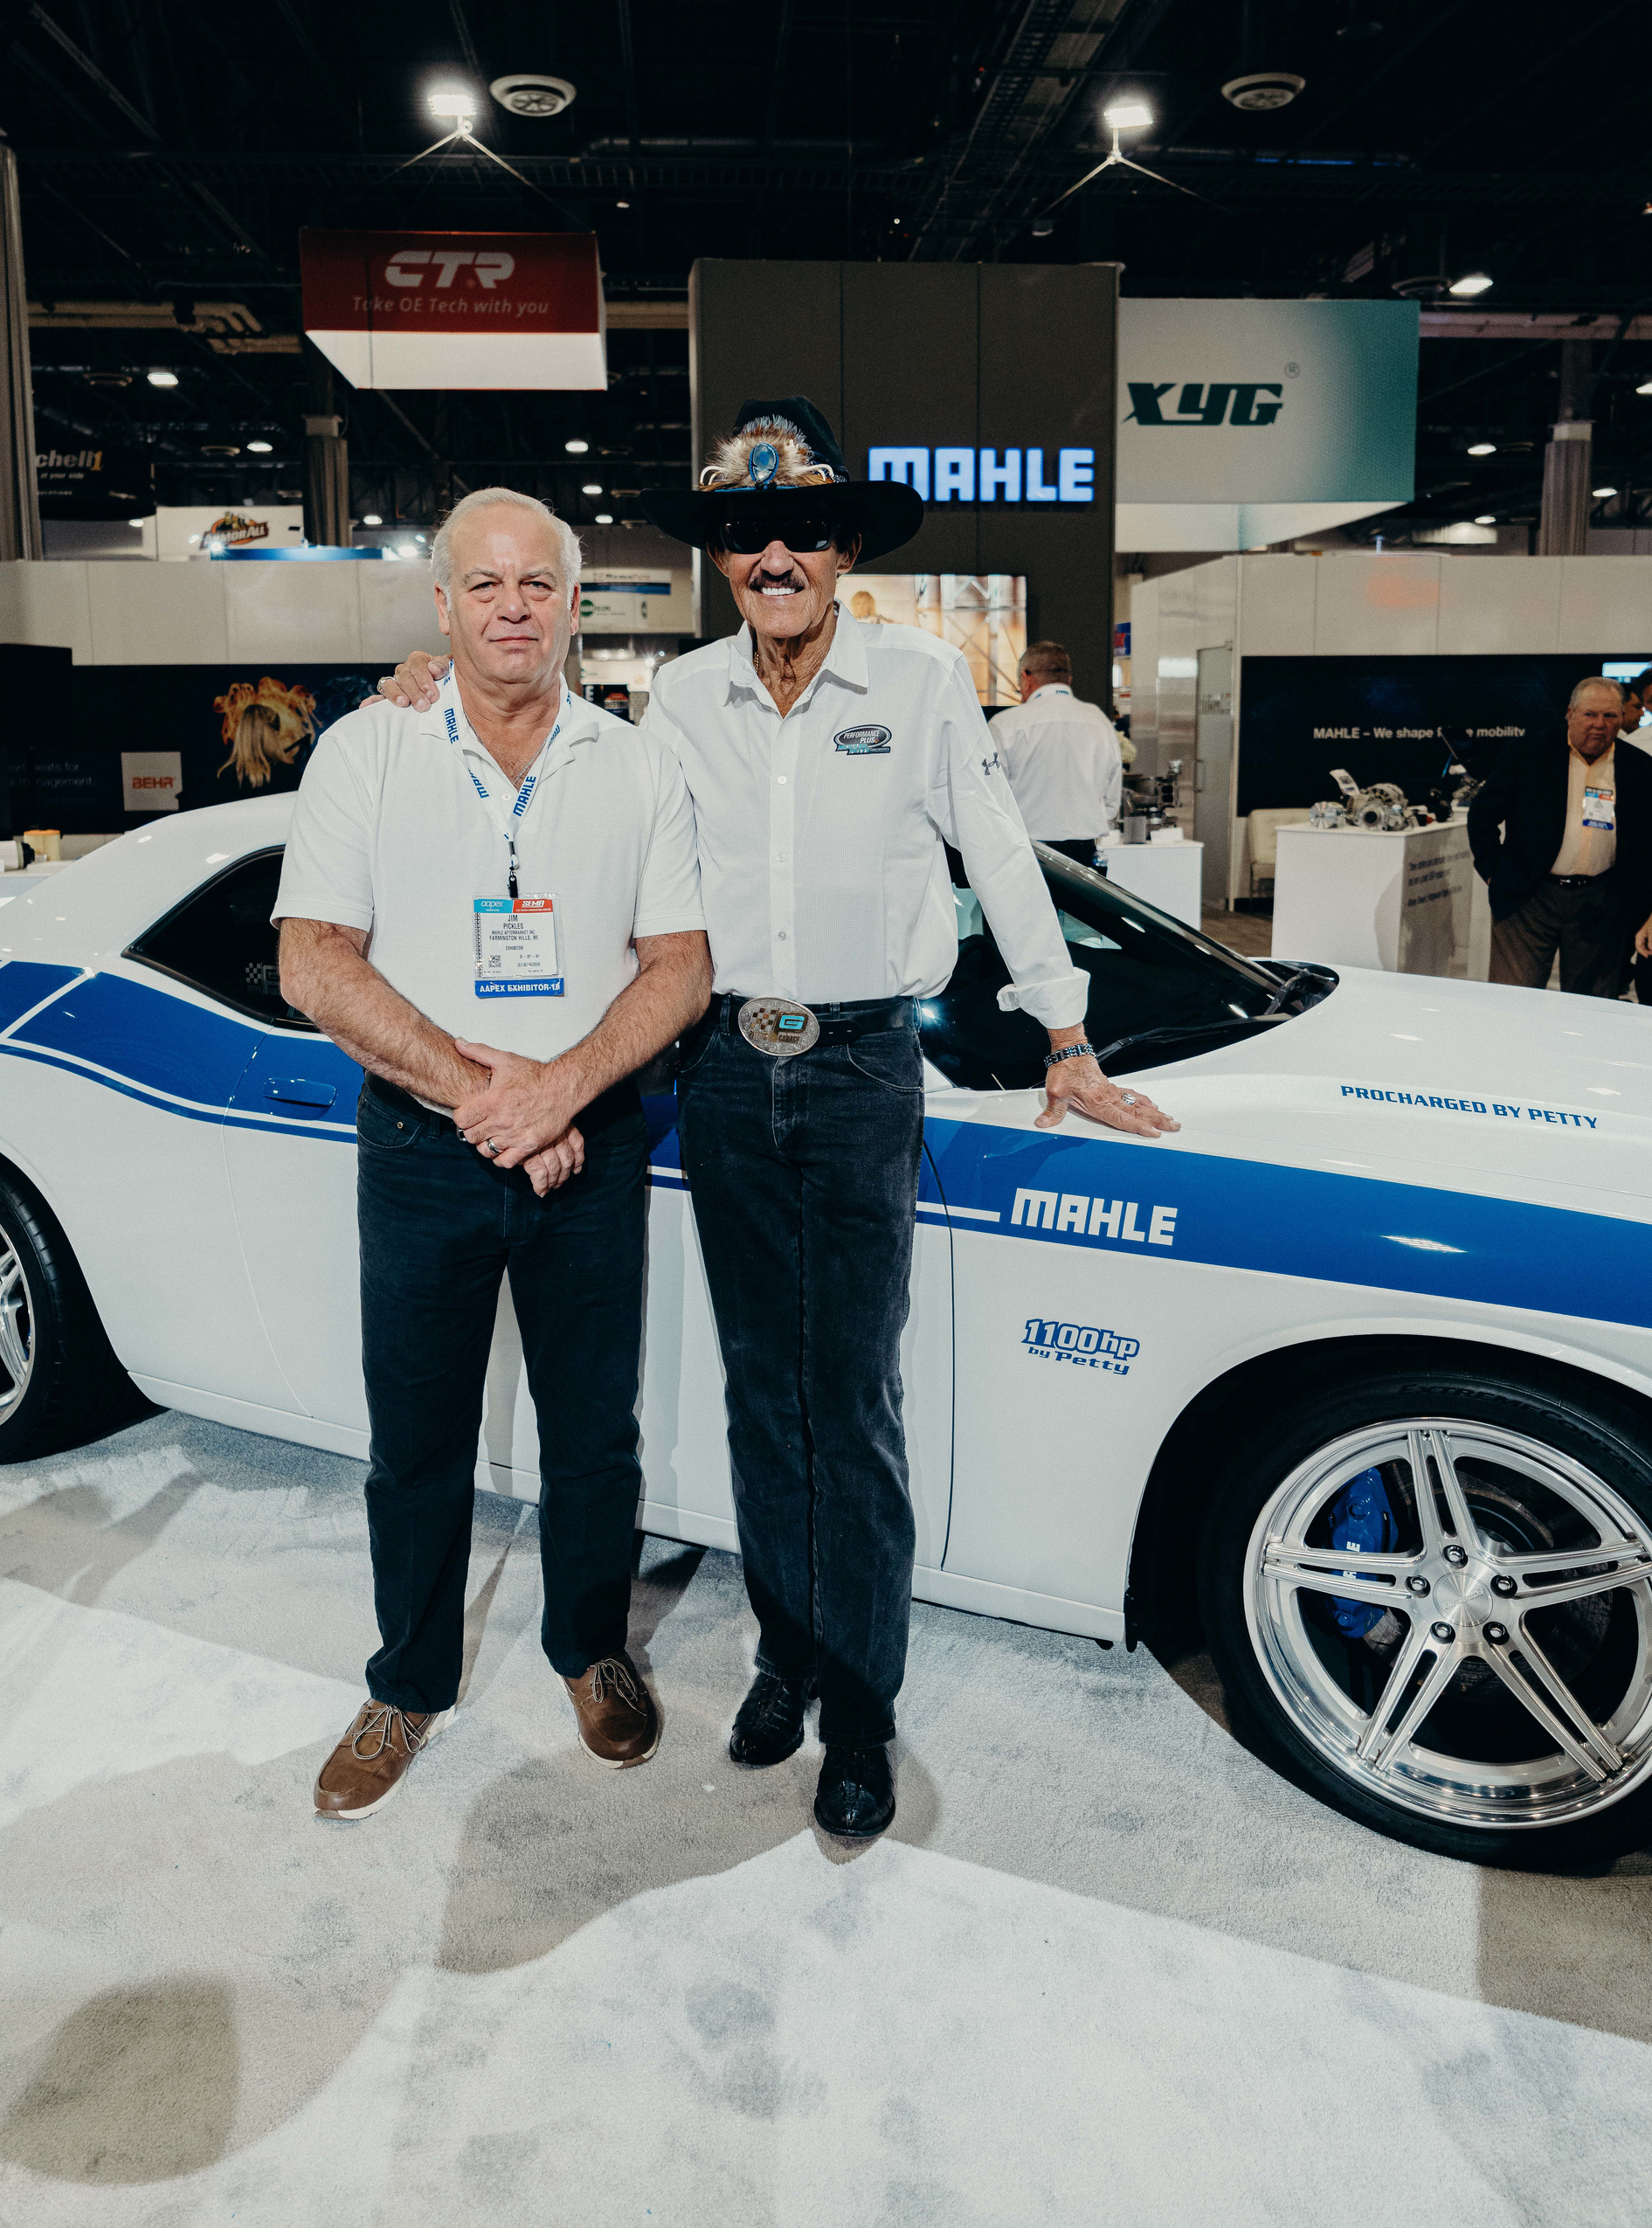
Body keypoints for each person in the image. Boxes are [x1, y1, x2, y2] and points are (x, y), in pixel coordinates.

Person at [376, 398, 1179, 1842]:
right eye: (748, 534)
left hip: (866, 1072)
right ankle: (786, 1655)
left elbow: (1003, 858)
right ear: (724, 558)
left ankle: (860, 1705)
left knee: (851, 1400)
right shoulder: (680, 700)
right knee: (761, 1390)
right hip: (727, 1071)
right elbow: (578, 828)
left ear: (844, 547)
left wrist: (1066, 1036)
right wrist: (431, 695)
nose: (776, 556)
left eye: (803, 529)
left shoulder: (922, 683)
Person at [274, 488, 712, 1820]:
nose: (512, 607)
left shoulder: (636, 763)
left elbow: (680, 967)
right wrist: (491, 1100)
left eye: (537, 584)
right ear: (444, 603)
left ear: (575, 602)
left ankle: (589, 1647)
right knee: (416, 1438)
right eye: (485, 583)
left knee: (594, 1432)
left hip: (593, 1145)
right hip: (425, 1150)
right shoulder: (369, 750)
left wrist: (563, 1091)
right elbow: (313, 962)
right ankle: (406, 1681)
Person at [1469, 674, 1652, 997]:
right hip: (1529, 896)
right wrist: (1493, 871)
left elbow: (1650, 843)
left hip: (1602, 903)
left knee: (1590, 1006)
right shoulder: (1528, 753)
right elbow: (1482, 815)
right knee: (1513, 1000)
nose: (1599, 724)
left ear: (1621, 718)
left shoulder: (1641, 769)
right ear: (1570, 714)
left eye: (1610, 715)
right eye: (1590, 714)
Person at [986, 640, 1124, 868]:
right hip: (1085, 855)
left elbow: (991, 795)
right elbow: (1112, 797)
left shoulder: (1005, 724)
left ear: (1026, 677)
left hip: (1026, 854)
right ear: (1068, 679)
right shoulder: (1098, 721)